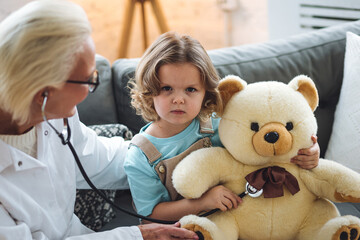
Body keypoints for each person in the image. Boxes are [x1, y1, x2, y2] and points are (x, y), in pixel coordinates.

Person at [0, 1, 199, 240]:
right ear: (43, 90)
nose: (92, 87)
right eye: (88, 80)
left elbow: (105, 159)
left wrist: (202, 153)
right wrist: (139, 236)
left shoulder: (52, 116)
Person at [124, 32, 320, 222]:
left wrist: (308, 151)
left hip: (244, 219)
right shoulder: (140, 155)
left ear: (206, 93)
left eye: (190, 89)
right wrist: (202, 202)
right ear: (150, 90)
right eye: (167, 88)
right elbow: (150, 214)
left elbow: (268, 146)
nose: (178, 99)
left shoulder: (223, 123)